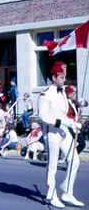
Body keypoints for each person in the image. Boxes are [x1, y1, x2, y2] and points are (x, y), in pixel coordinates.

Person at [38, 61, 84, 208]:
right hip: (51, 132)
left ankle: (67, 191)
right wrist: (60, 123)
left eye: (64, 76)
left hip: (64, 131)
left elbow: (63, 113)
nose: (64, 79)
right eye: (61, 77)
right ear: (54, 77)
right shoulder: (46, 94)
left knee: (75, 160)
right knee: (52, 165)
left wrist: (72, 123)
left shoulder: (63, 92)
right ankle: (51, 194)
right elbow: (42, 116)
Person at [65, 85, 86, 154]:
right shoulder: (66, 104)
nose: (75, 94)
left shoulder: (74, 102)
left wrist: (82, 104)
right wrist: (75, 121)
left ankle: (72, 156)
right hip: (70, 127)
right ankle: (71, 156)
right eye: (73, 93)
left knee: (82, 144)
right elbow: (67, 117)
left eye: (75, 93)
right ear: (69, 94)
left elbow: (86, 104)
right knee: (70, 145)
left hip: (76, 127)